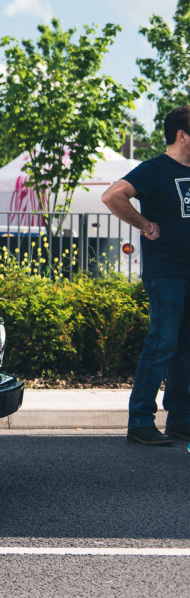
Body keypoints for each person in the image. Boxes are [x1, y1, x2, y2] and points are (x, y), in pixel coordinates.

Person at [102, 106, 190, 445]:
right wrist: (143, 224)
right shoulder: (154, 170)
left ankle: (181, 419)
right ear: (182, 135)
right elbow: (112, 196)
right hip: (166, 273)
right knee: (163, 343)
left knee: (185, 348)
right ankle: (140, 420)